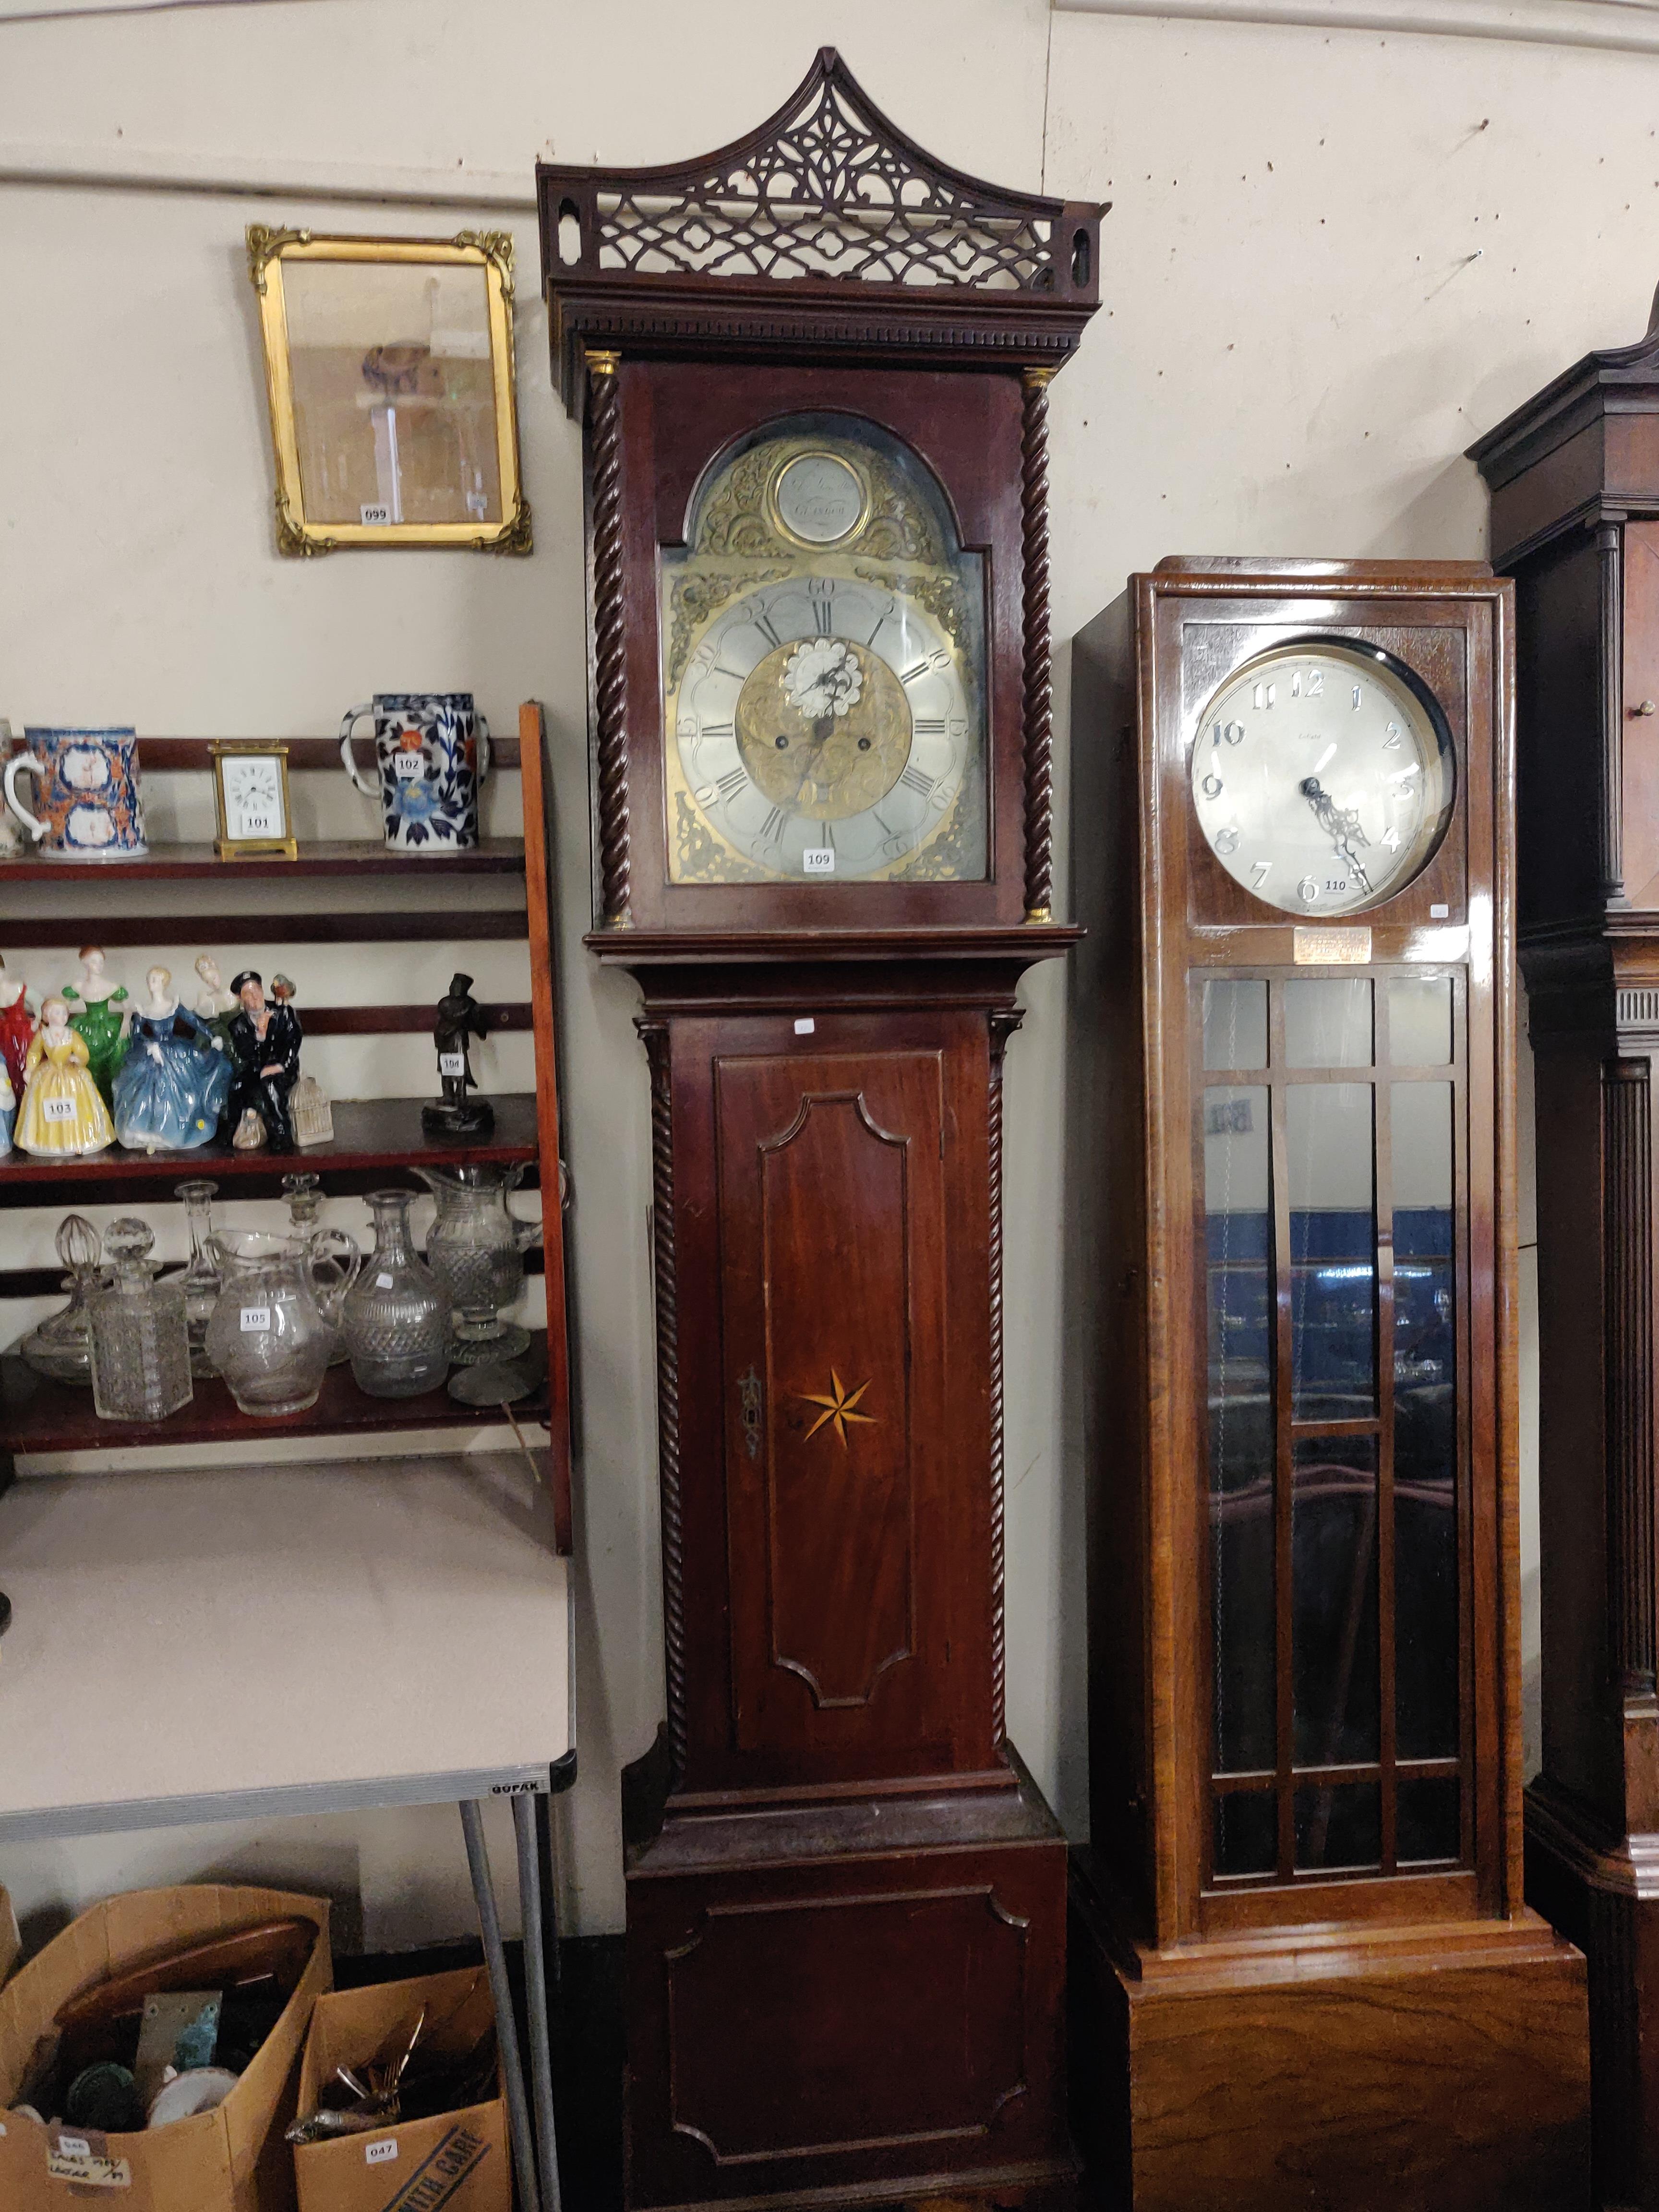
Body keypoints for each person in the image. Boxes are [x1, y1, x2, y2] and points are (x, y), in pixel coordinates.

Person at [112, 965, 234, 1153]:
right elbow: (136, 1037)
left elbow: (194, 1022)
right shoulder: (143, 1010)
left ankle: (173, 1131)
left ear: (163, 983)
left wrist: (211, 1037)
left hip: (175, 1053)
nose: (150, 984)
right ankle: (145, 1130)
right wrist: (150, 1046)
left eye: (154, 980)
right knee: (145, 1091)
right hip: (152, 1053)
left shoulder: (174, 1005)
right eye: (149, 979)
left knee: (181, 1092)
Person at [15, 995, 115, 1157]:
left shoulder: (71, 1034)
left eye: (64, 1013)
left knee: (78, 1104)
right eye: (57, 1013)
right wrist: (30, 1068)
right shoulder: (43, 1035)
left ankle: (78, 1139)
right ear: (47, 1016)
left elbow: (82, 1051)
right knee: (46, 1103)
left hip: (70, 1072)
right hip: (49, 1074)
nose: (61, 1017)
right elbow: (34, 1052)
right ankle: (50, 1141)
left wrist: (78, 1058)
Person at [225, 968, 303, 1153]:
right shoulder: (238, 1026)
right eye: (248, 993)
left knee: (270, 1084)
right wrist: (260, 1035)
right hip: (257, 1068)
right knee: (237, 1086)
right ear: (240, 999)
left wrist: (280, 1066)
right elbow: (248, 1055)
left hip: (284, 1068)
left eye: (257, 990)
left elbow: (294, 1040)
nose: (255, 996)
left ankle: (282, 1134)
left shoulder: (282, 1012)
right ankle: (233, 1129)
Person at [422, 971, 492, 1137]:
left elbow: (475, 1021)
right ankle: (448, 1096)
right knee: (446, 1069)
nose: (454, 987)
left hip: (459, 1039)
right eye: (454, 984)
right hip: (446, 1040)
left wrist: (478, 1022)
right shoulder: (447, 1003)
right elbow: (455, 1017)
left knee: (459, 1069)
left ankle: (460, 1097)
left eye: (458, 985)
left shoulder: (468, 1003)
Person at [61, 944, 129, 1108]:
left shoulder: (111, 986)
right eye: (94, 962)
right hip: (86, 1028)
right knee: (88, 1063)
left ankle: (111, 1103)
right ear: (85, 964)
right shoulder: (79, 986)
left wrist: (126, 1024)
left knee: (112, 1063)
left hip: (108, 1028)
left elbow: (127, 1008)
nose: (98, 966)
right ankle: (90, 1102)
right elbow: (64, 1007)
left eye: (101, 962)